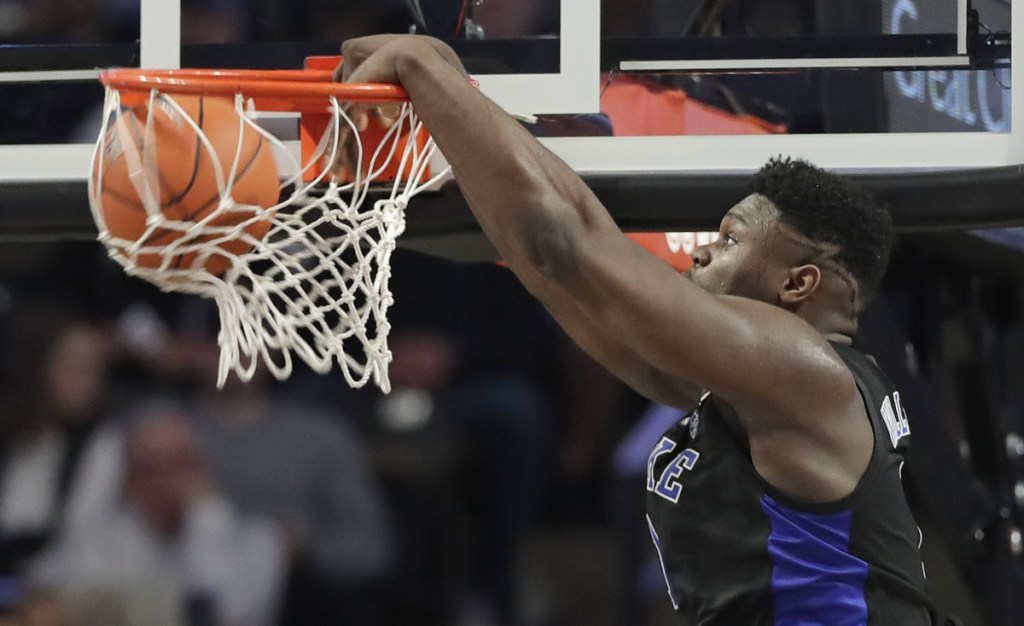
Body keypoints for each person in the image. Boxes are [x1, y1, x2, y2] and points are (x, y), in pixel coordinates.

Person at [333, 35, 937, 624]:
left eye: (729, 240)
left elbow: (564, 244)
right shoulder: (761, 390)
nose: (700, 254)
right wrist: (458, 115)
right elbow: (550, 273)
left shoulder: (799, 368)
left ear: (798, 284)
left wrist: (427, 68)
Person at [29, 405, 285, 626]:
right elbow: (60, 602)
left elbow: (229, 614)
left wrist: (206, 517)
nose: (167, 480)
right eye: (150, 468)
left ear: (205, 468)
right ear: (128, 482)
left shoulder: (257, 539)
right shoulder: (100, 540)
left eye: (182, 463)